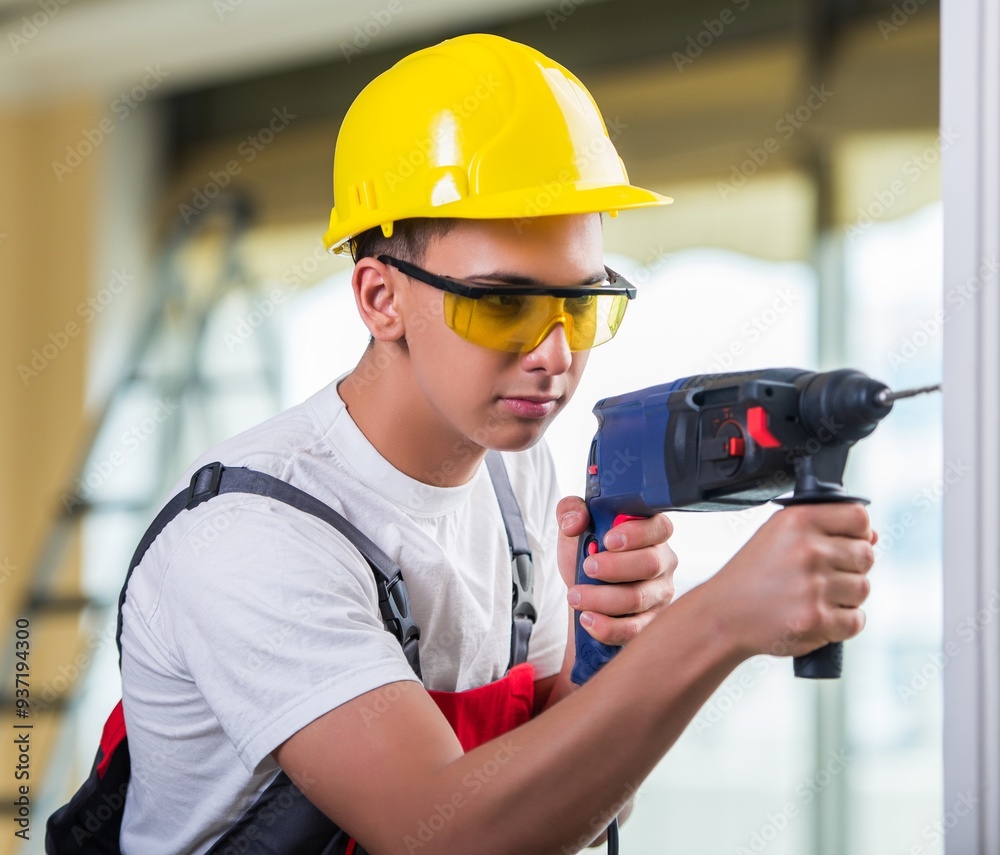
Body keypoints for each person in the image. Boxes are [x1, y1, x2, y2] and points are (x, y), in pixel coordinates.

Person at [117, 33, 875, 854]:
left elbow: (557, 794)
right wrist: (718, 620)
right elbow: (442, 834)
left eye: (580, 304)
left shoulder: (516, 473)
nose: (554, 353)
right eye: (504, 303)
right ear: (380, 298)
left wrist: (611, 654)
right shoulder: (251, 535)